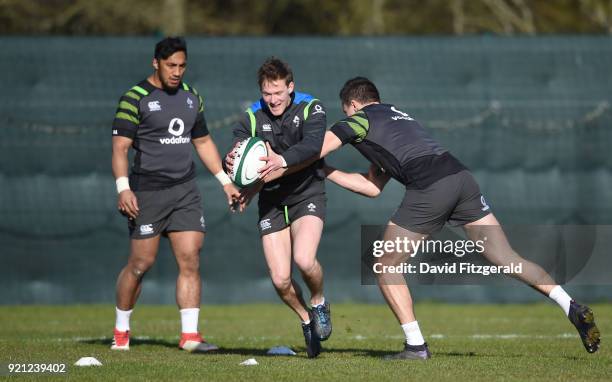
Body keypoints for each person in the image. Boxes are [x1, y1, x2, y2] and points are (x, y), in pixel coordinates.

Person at [261, 77, 600, 359]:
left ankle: (415, 345)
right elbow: (371, 187)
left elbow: (316, 148)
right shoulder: (399, 117)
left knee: (385, 263)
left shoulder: (358, 120)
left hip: (431, 185)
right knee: (507, 258)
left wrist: (280, 162)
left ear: (351, 105)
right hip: (460, 178)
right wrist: (329, 172)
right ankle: (570, 306)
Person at [110, 37, 240, 352]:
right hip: (147, 193)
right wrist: (123, 188)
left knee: (190, 258)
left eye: (182, 66)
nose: (177, 72)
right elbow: (120, 148)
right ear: (156, 63)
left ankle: (190, 336)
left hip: (185, 191)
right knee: (141, 264)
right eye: (171, 65)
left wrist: (225, 181)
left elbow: (204, 142)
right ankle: (121, 331)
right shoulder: (134, 98)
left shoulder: (192, 97)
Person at [224, 57, 331, 358]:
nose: (272, 100)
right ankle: (306, 320)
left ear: (290, 87)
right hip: (271, 201)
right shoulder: (252, 116)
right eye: (267, 94)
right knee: (281, 280)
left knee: (305, 259)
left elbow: (313, 145)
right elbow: (237, 155)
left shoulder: (312, 107)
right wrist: (229, 162)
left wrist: (280, 160)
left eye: (278, 93)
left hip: (306, 192)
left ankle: (319, 301)